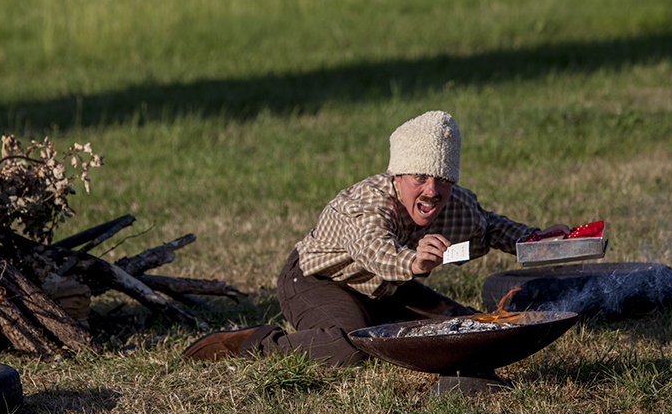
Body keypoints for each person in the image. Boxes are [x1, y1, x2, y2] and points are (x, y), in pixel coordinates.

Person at [182, 110, 569, 366]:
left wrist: (537, 239)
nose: (432, 191)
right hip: (319, 280)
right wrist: (414, 263)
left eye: (444, 180)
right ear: (398, 174)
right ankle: (246, 344)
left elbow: (491, 228)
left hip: (387, 289)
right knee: (348, 347)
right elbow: (374, 253)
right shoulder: (365, 204)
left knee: (466, 327)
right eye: (419, 177)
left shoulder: (457, 205)